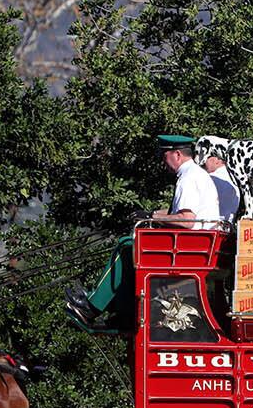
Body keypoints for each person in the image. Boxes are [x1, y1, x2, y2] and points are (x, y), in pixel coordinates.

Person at [66, 134, 222, 330]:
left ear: (176, 154)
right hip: (197, 245)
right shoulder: (197, 174)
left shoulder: (188, 178)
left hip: (189, 247)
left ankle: (92, 307)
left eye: (164, 155)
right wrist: (150, 214)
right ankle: (123, 314)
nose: (163, 161)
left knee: (125, 247)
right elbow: (181, 214)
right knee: (133, 252)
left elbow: (187, 220)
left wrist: (153, 219)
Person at [203, 153, 240, 222]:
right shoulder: (234, 182)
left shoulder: (209, 179)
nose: (203, 161)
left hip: (209, 227)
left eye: (207, 157)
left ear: (217, 160)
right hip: (226, 226)